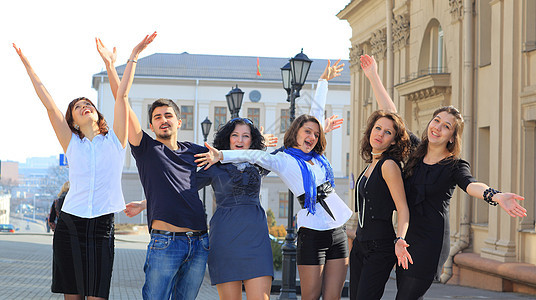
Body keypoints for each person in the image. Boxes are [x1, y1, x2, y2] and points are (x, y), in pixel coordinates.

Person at [360, 54, 526, 299]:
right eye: (436, 120)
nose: (437, 127)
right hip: (405, 238)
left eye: (446, 126)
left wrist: (495, 195)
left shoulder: (454, 165)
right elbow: (391, 114)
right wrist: (373, 75)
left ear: (451, 136)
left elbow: (471, 185)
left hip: (430, 242)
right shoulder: (415, 150)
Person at [13, 32, 155, 299]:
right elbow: (48, 104)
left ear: (97, 114)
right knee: (73, 295)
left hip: (102, 226)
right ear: (74, 121)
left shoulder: (115, 141)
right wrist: (27, 64)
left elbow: (122, 96)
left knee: (97, 295)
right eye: (78, 106)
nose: (85, 106)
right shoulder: (71, 143)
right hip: (70, 225)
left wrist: (127, 59)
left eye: (88, 103)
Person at [196, 60, 352, 300]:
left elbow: (314, 121)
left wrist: (323, 82)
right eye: (235, 135)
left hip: (327, 226)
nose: (311, 136)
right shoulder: (282, 160)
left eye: (245, 135)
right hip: (236, 233)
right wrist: (221, 155)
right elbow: (254, 154)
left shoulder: (316, 156)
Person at [96, 37, 210, 300]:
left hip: (200, 243)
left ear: (179, 121)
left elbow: (191, 184)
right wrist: (115, 65)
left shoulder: (194, 151)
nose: (163, 120)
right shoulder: (147, 149)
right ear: (151, 125)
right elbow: (121, 99)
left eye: (168, 115)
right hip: (165, 243)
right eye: (157, 117)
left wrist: (253, 144)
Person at [195, 117, 273, 300]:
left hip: (257, 240)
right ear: (227, 139)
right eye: (235, 135)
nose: (240, 140)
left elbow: (290, 152)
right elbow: (182, 188)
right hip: (225, 239)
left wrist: (320, 129)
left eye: (245, 136)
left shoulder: (259, 162)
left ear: (252, 141)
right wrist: (145, 203)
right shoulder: (214, 166)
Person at [349, 110, 412, 300]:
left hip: (379, 247)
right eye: (377, 128)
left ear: (393, 140)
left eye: (387, 132)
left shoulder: (389, 165)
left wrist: (400, 239)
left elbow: (402, 208)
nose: (380, 134)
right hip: (360, 244)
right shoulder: (370, 164)